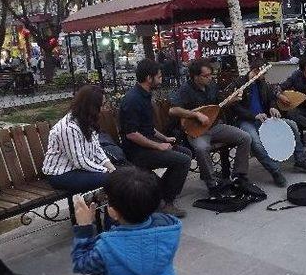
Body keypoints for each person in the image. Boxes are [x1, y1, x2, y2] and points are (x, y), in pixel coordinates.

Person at [119, 59, 192, 218]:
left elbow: (147, 128)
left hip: (147, 145)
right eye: (158, 76)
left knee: (186, 153)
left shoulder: (144, 95)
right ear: (148, 78)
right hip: (136, 151)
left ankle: (158, 193)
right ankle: (167, 201)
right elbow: (131, 134)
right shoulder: (132, 100)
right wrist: (158, 146)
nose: (161, 79)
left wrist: (164, 138)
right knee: (183, 160)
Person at [168, 59, 252, 194]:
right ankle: (212, 185)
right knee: (201, 148)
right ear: (195, 76)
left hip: (215, 127)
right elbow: (173, 110)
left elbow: (219, 105)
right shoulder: (185, 89)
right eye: (206, 76)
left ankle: (239, 175)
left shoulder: (212, 85)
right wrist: (196, 115)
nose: (210, 78)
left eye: (210, 75)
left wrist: (232, 100)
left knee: (245, 137)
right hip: (196, 131)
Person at [228, 59, 306, 188]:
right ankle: (275, 171)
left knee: (291, 125)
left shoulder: (262, 83)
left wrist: (272, 107)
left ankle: (300, 160)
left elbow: (271, 99)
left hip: (264, 119)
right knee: (255, 142)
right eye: (263, 73)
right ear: (256, 71)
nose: (265, 76)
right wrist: (254, 115)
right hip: (246, 121)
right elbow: (235, 107)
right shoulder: (239, 83)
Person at [43, 85, 115, 193]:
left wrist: (111, 167)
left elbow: (97, 149)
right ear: (91, 107)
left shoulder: (87, 120)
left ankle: (106, 208)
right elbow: (80, 162)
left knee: (121, 175)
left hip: (79, 169)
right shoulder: (69, 127)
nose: (104, 108)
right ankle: (103, 208)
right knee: (111, 180)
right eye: (102, 105)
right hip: (61, 174)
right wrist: (106, 171)